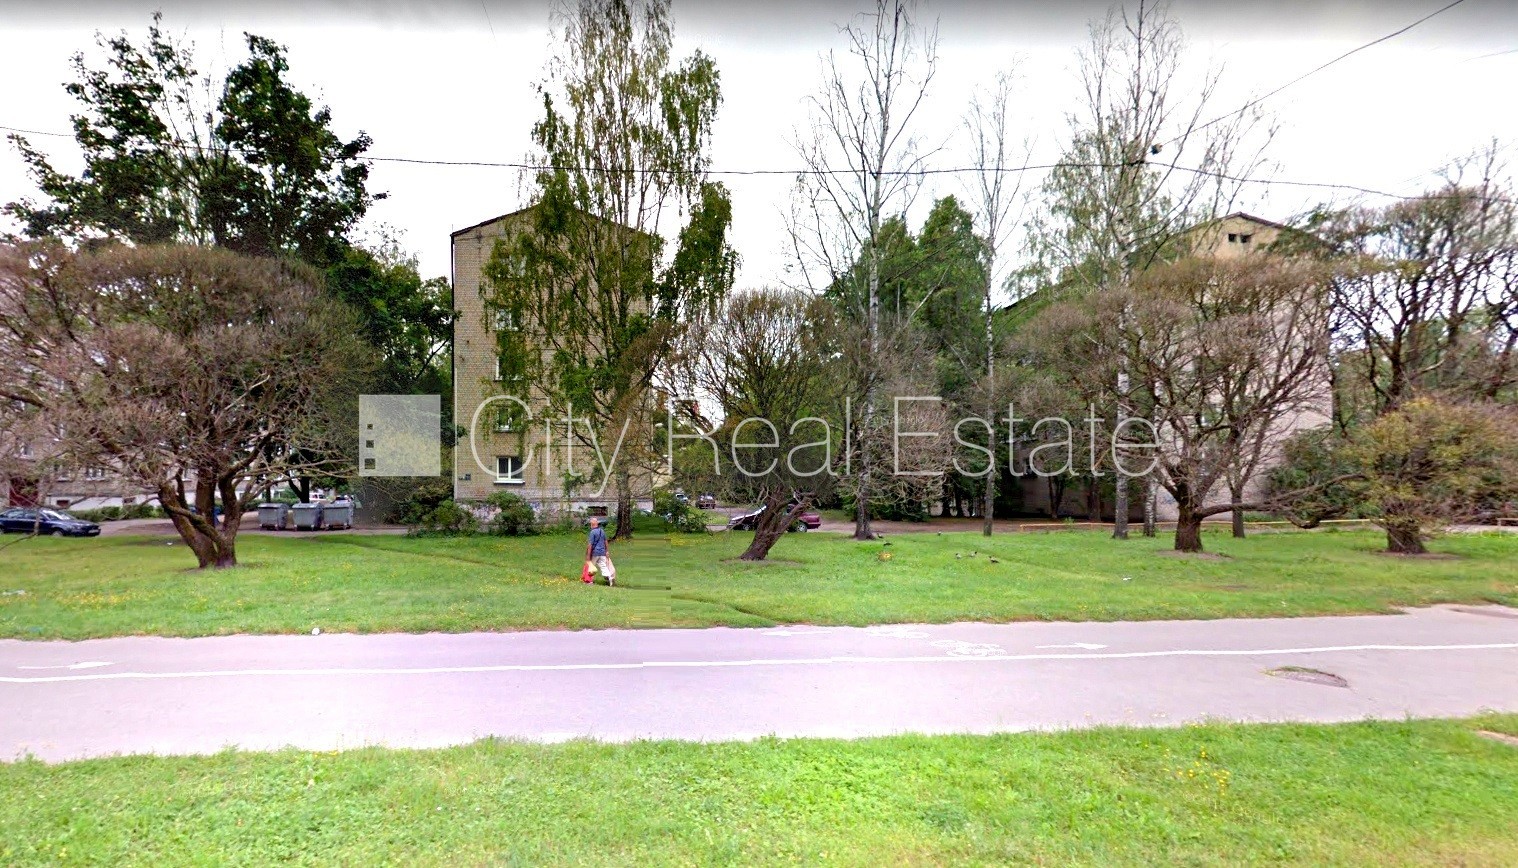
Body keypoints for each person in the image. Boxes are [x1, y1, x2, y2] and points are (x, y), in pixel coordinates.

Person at [587, 517, 615, 586]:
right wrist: (607, 551)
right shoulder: (602, 531)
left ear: (591, 524)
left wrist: (588, 555)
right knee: (603, 566)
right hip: (602, 552)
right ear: (597, 523)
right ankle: (610, 578)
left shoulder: (592, 532)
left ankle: (590, 581)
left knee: (591, 566)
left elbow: (590, 545)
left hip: (595, 553)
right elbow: (606, 542)